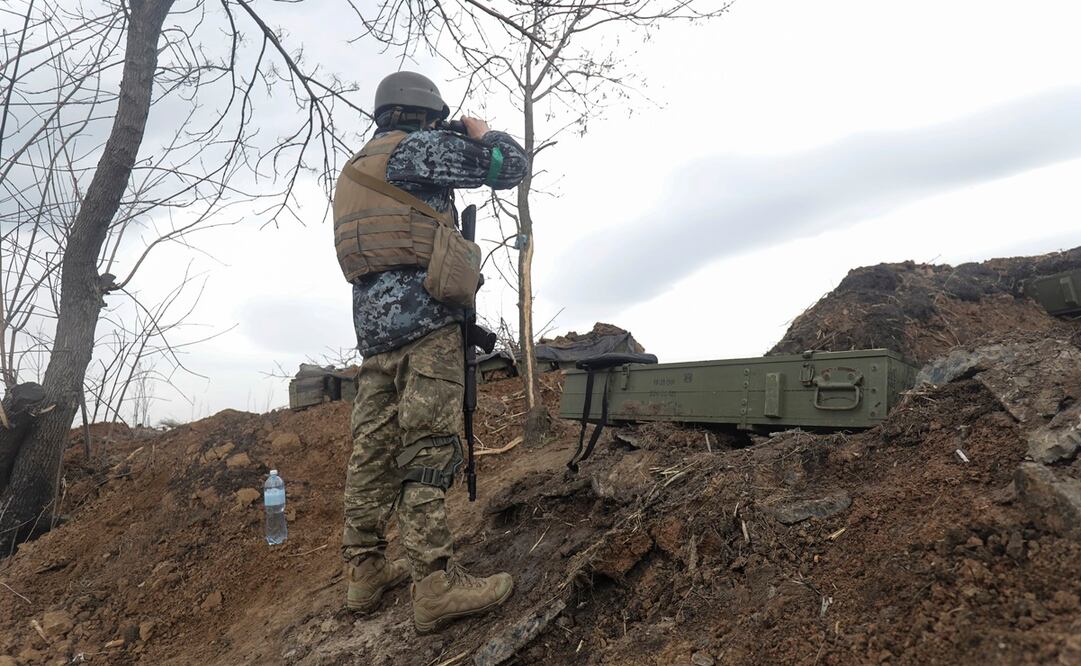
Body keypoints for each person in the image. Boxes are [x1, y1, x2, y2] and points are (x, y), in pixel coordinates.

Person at [332, 71, 528, 633]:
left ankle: (364, 572)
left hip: (373, 338)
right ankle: (435, 586)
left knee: (371, 451)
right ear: (422, 113)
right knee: (428, 448)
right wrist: (483, 133)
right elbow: (507, 168)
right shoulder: (418, 151)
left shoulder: (354, 169)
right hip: (427, 326)